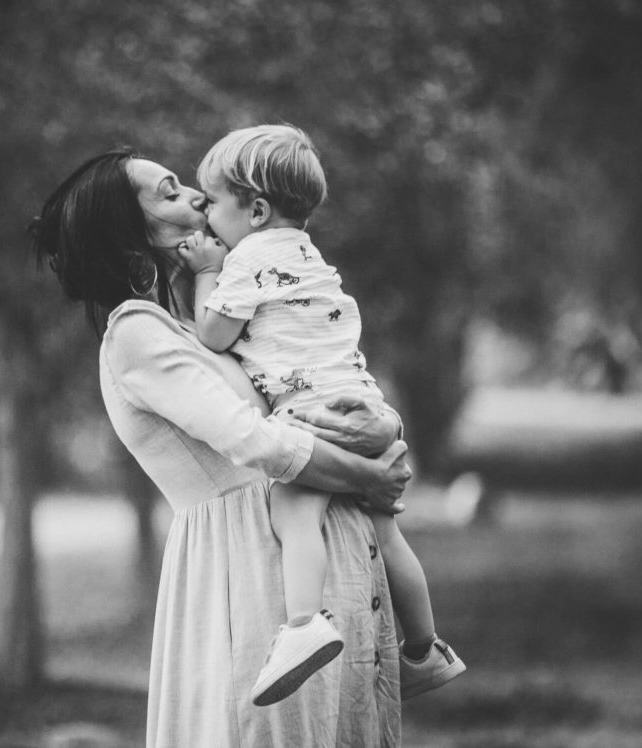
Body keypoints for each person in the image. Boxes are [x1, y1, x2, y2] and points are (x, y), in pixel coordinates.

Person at [30, 147, 412, 747]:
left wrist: (382, 432)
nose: (197, 199)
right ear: (130, 234)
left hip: (328, 564)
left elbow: (323, 379)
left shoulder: (218, 326)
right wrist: (368, 477)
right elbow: (251, 439)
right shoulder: (135, 334)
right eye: (169, 192)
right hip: (251, 576)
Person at [177, 124, 465, 706]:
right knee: (385, 532)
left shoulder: (248, 259)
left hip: (311, 409)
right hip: (362, 398)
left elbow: (213, 333)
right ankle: (424, 649)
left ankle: (304, 625)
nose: (205, 219)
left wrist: (207, 269)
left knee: (292, 505)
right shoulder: (307, 253)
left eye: (212, 204)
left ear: (256, 210)